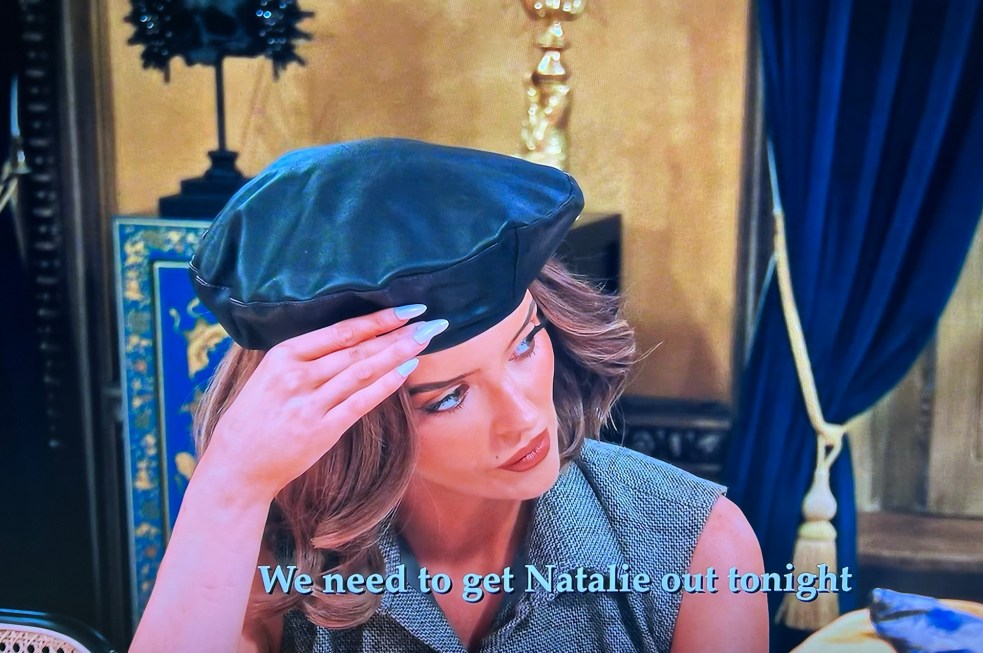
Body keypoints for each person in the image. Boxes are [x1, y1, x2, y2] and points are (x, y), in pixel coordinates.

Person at [129, 138, 768, 653]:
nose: (523, 416)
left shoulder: (696, 548)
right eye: (447, 398)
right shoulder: (272, 562)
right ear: (353, 425)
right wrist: (229, 482)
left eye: (524, 345)